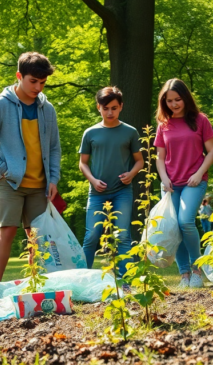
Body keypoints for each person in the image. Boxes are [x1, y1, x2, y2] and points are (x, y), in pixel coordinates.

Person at [0, 52, 61, 301]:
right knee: (7, 232)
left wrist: (53, 179)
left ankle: (36, 284)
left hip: (40, 186)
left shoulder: (48, 109)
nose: (38, 87)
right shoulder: (1, 105)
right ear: (19, 76)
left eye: (42, 83)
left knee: (37, 237)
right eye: (33, 81)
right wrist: (3, 169)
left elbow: (54, 147)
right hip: (10, 183)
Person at [154, 79, 213, 288]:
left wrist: (199, 174)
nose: (174, 104)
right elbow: (159, 157)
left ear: (186, 98)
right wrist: (164, 178)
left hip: (194, 181)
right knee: (175, 228)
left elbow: (212, 151)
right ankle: (185, 275)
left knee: (185, 221)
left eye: (178, 99)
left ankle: (197, 270)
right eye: (169, 100)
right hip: (171, 183)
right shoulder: (163, 125)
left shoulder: (200, 120)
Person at [80, 87, 143, 281]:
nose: (110, 112)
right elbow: (83, 163)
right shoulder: (90, 133)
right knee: (91, 236)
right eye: (105, 108)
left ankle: (126, 282)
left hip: (122, 192)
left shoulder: (130, 132)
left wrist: (131, 174)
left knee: (123, 236)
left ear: (121, 107)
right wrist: (93, 180)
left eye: (114, 108)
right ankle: (82, 279)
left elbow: (139, 161)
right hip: (97, 193)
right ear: (98, 107)